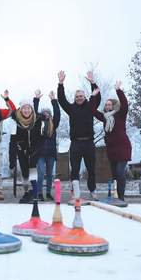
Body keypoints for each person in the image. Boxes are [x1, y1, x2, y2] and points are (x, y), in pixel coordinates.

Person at [57, 70, 100, 202]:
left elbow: (97, 97)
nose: (79, 98)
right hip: (75, 143)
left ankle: (92, 191)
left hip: (89, 143)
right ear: (75, 98)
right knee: (74, 169)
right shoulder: (71, 108)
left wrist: (93, 83)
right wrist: (60, 83)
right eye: (77, 96)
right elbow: (61, 100)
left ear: (85, 96)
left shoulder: (90, 106)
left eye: (81, 96)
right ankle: (76, 192)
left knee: (91, 168)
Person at [90, 81, 132, 201]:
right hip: (112, 150)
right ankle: (115, 195)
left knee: (119, 172)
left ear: (114, 106)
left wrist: (119, 90)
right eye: (106, 105)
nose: (107, 106)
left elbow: (125, 104)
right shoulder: (104, 118)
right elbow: (93, 110)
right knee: (114, 175)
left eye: (109, 105)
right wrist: (93, 96)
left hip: (123, 148)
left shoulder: (120, 115)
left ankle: (121, 197)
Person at [11, 97, 43, 203]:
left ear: (31, 109)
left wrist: (37, 148)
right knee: (24, 172)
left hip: (34, 149)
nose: (26, 110)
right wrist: (12, 160)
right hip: (21, 150)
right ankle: (26, 192)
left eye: (28, 108)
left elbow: (40, 137)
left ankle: (34, 193)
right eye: (24, 108)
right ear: (20, 109)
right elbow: (12, 141)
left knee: (32, 169)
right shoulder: (15, 121)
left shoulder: (37, 120)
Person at [34, 90, 60, 201]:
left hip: (50, 153)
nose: (46, 114)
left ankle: (48, 192)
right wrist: (36, 99)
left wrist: (54, 100)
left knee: (50, 174)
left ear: (50, 114)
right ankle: (39, 193)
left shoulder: (54, 124)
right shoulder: (38, 123)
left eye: (47, 112)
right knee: (40, 174)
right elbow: (34, 112)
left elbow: (58, 113)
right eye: (44, 112)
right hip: (40, 153)